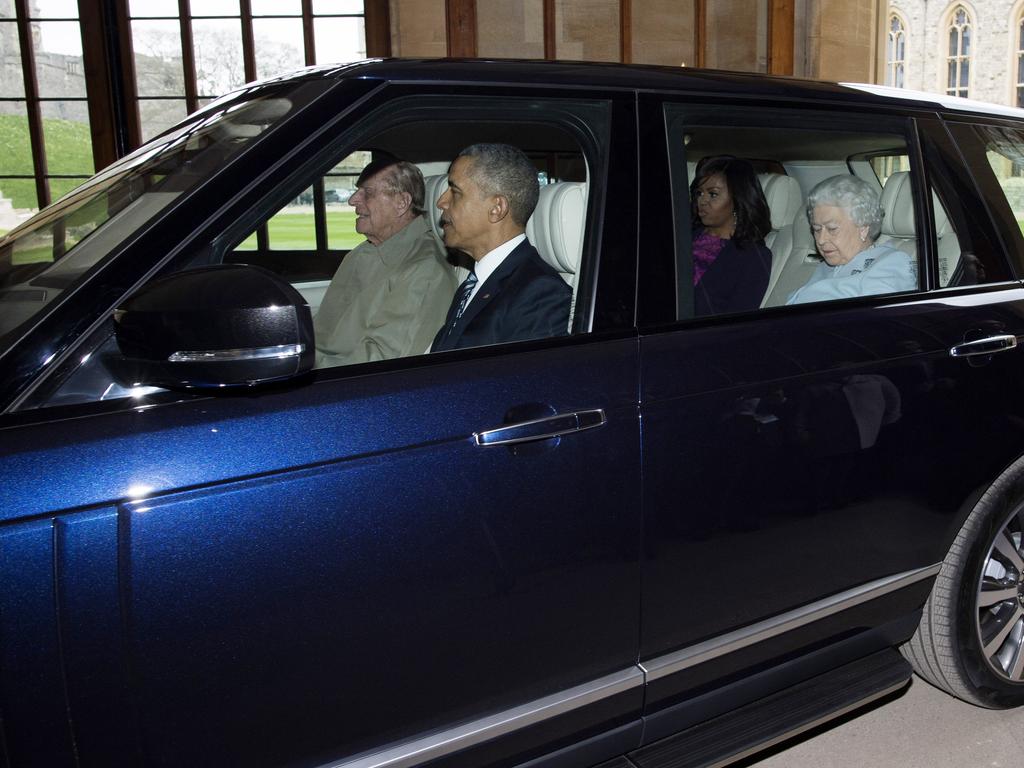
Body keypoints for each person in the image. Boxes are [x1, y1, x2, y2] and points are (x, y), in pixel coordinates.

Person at [312, 158, 459, 367]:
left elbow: (380, 365)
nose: (352, 200)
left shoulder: (424, 272)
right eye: (357, 191)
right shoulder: (363, 252)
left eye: (367, 193)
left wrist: (304, 366)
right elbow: (326, 328)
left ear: (401, 203)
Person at [430, 143, 571, 352]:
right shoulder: (473, 283)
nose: (441, 202)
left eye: (455, 191)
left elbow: (523, 382)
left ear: (497, 209)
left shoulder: (540, 294)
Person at [786, 174, 916, 305]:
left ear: (863, 228)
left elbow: (880, 318)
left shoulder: (891, 263)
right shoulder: (826, 267)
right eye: (817, 229)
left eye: (832, 229)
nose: (821, 240)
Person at [690, 155, 773, 315]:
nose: (702, 201)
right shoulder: (683, 237)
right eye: (699, 193)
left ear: (737, 198)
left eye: (713, 194)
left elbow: (736, 323)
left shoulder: (753, 257)